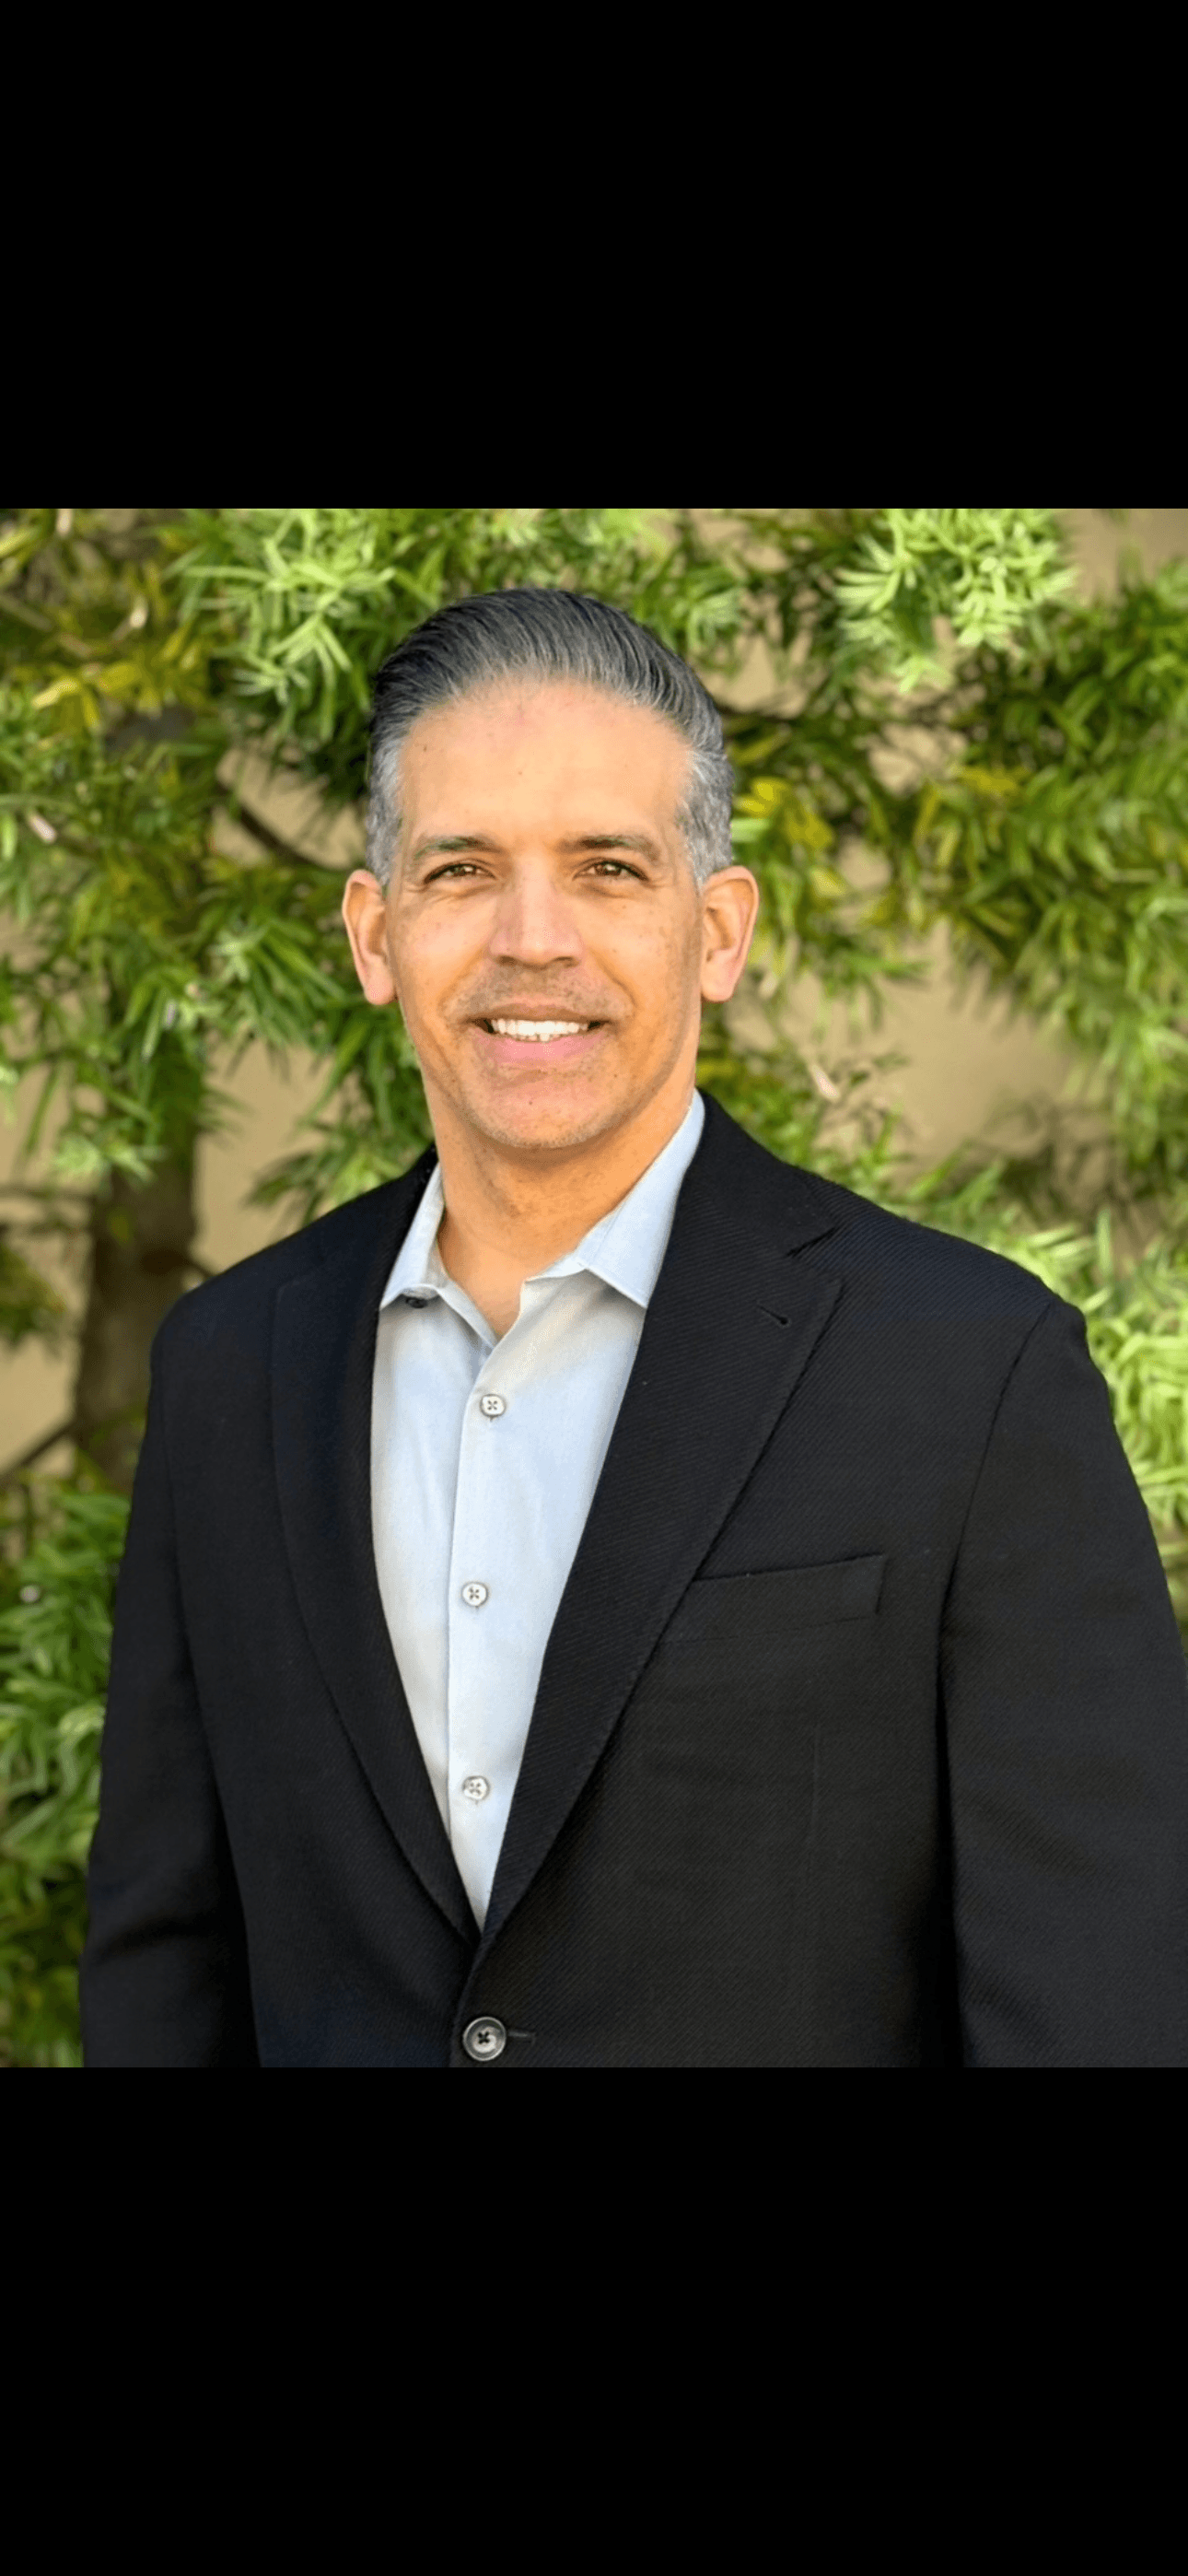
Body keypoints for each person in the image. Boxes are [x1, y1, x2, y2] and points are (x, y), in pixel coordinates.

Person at [79, 587, 1188, 2067]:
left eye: (607, 868)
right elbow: (168, 1965)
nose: (531, 940)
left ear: (716, 931)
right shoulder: (228, 1368)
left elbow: (1097, 2002)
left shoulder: (971, 1373)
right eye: (461, 869)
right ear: (374, 932)